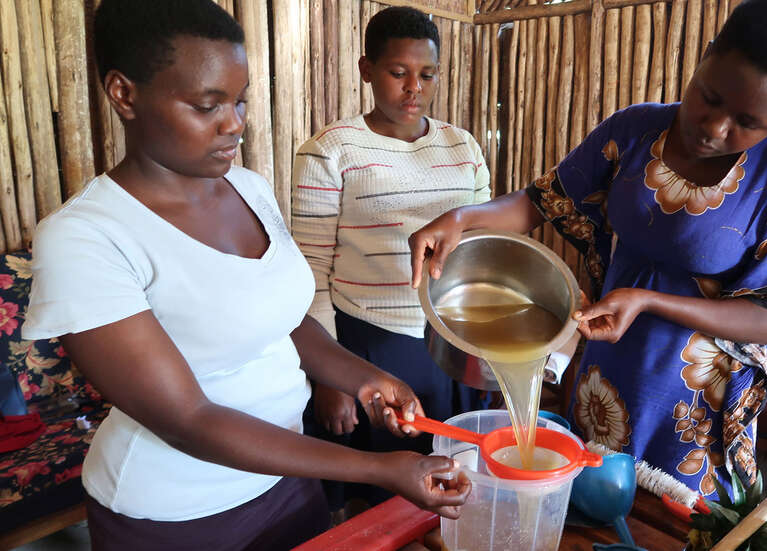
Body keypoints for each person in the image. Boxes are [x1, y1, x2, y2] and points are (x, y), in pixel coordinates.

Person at [22, 2, 469, 549]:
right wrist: (377, 469)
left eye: (239, 101)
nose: (234, 124)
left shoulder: (250, 189)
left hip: (286, 480)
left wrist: (363, 377)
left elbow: (283, 320)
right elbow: (188, 418)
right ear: (124, 94)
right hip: (176, 514)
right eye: (207, 105)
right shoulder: (85, 237)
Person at [408, 0, 767, 499]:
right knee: (589, 505)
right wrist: (463, 217)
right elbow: (539, 203)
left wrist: (648, 300)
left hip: (696, 406)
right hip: (606, 377)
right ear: (705, 58)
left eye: (748, 122)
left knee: (672, 523)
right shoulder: (636, 129)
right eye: (709, 97)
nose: (714, 127)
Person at [291, 7, 490, 512]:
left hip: (453, 339)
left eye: (427, 75)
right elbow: (309, 271)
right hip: (369, 345)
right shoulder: (331, 150)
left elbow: (483, 246)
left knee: (454, 478)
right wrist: (331, 378)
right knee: (382, 497)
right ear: (367, 69)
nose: (413, 89)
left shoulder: (461, 146)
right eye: (397, 73)